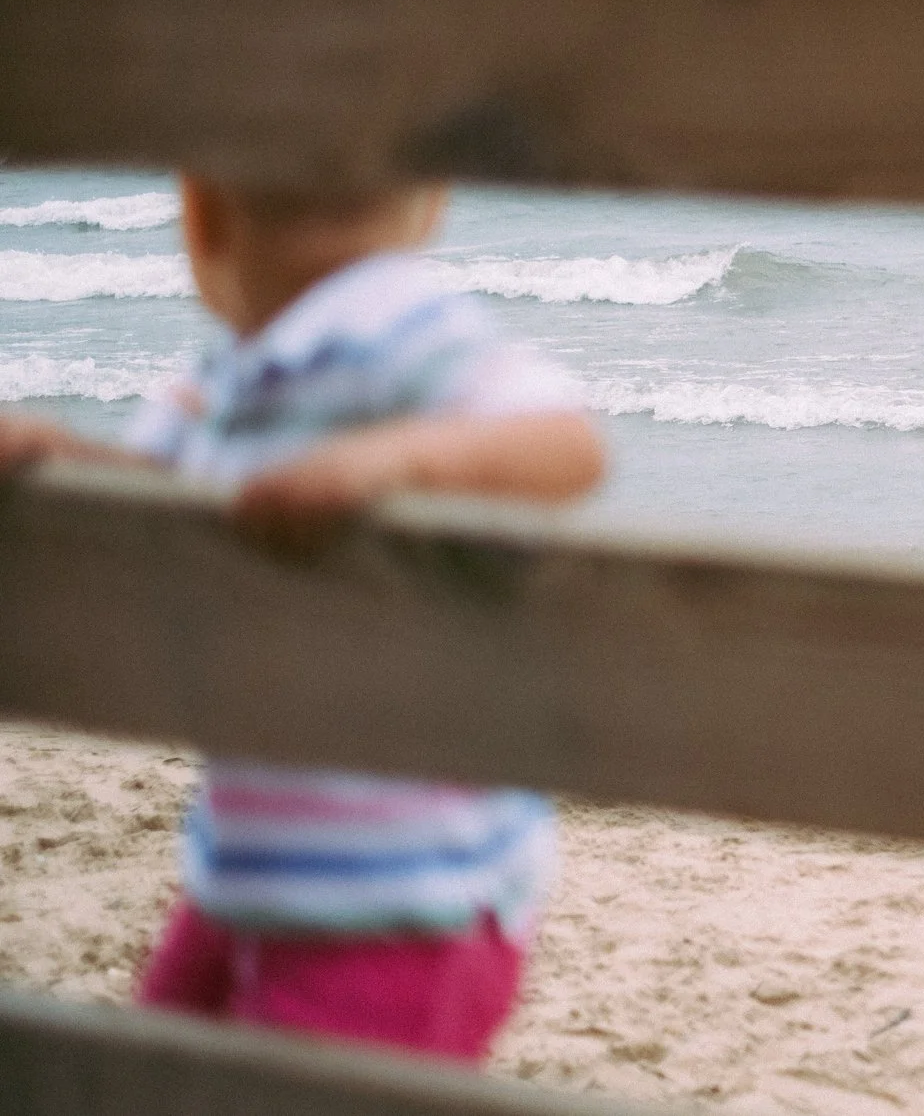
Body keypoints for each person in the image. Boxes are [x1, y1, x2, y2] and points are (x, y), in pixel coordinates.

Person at [0, 173, 604, 1063]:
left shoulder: (402, 326)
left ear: (198, 215)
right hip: (250, 872)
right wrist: (65, 457)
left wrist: (393, 462)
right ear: (433, 203)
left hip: (409, 903)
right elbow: (174, 518)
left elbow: (566, 447)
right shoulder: (222, 379)